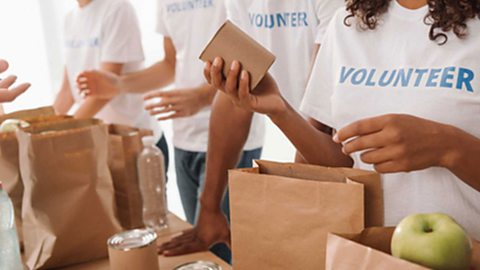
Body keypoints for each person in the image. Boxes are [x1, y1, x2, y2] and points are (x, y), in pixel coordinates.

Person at [205, 0, 480, 240]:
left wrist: (448, 147)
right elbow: (346, 163)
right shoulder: (348, 25)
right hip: (370, 257)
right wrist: (280, 111)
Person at [76, 0, 261, 262]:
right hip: (184, 138)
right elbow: (170, 65)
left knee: (229, 255)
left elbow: (250, 63)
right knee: (203, 252)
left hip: (234, 137)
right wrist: (119, 84)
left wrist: (200, 97)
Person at [157, 0, 344, 257]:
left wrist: (294, 212)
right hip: (309, 144)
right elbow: (235, 99)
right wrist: (209, 209)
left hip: (350, 157)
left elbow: (320, 114)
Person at [53, 0, 168, 165]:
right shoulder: (70, 20)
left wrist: (62, 133)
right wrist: (44, 130)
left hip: (136, 143)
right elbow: (67, 91)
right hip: (102, 143)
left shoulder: (117, 8)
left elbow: (104, 92)